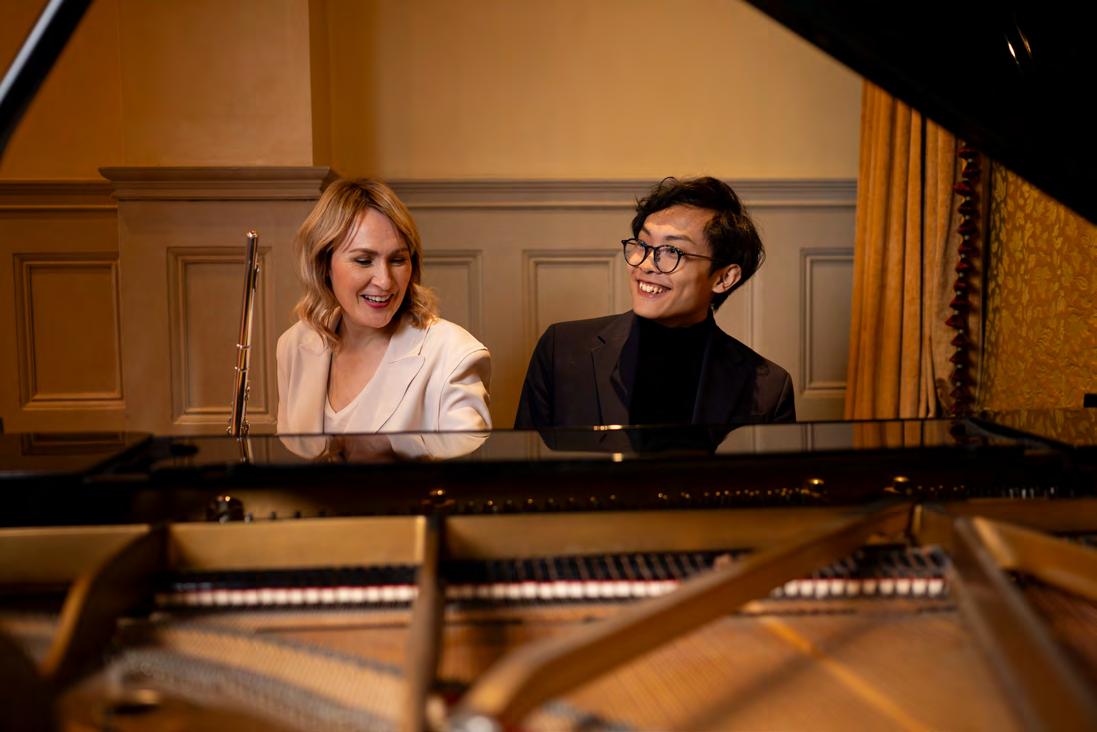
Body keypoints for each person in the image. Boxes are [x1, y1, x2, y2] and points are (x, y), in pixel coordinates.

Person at [515, 176, 794, 429]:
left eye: (672, 251)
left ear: (724, 278)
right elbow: (526, 466)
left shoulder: (768, 387)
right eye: (642, 245)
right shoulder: (562, 349)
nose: (646, 264)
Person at [277, 178, 491, 434]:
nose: (385, 281)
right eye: (364, 260)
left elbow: (469, 460)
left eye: (397, 260)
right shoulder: (293, 346)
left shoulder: (455, 354)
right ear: (324, 265)